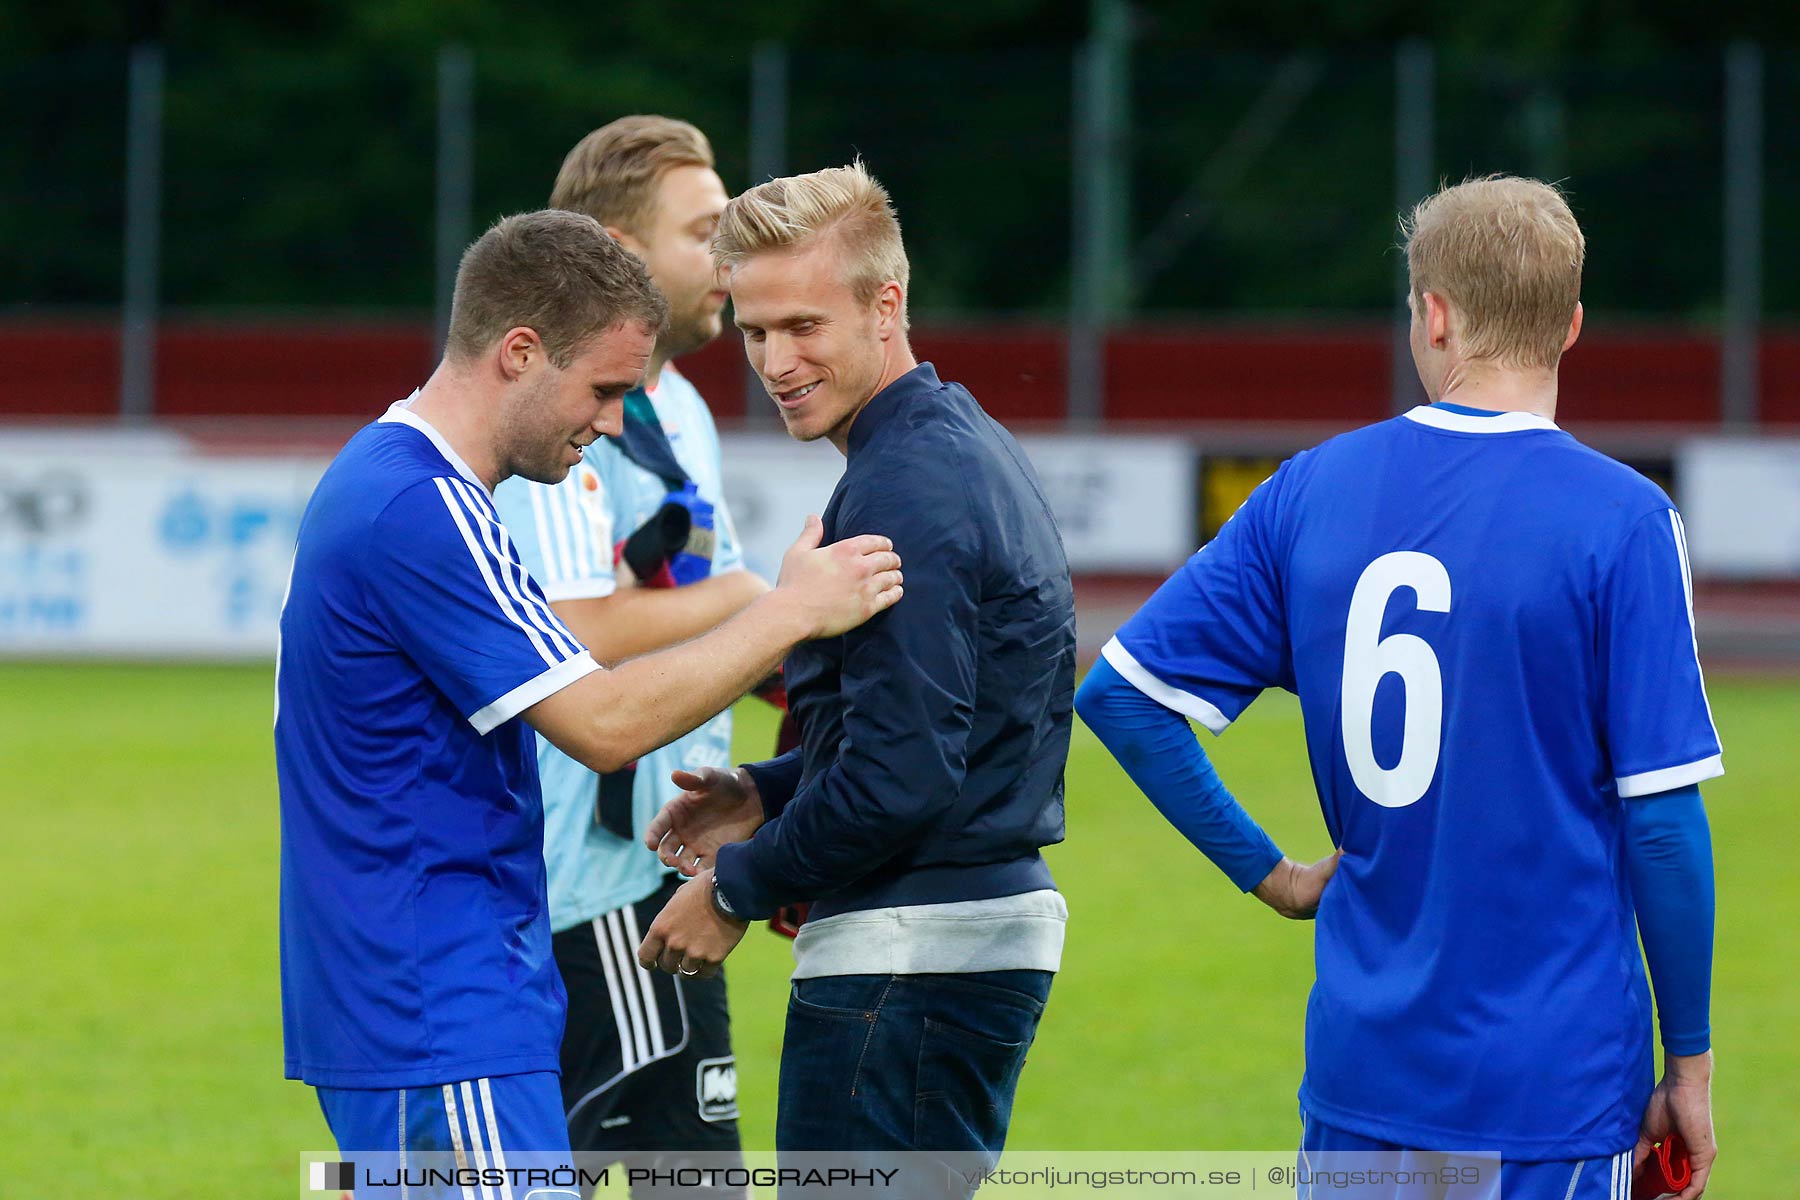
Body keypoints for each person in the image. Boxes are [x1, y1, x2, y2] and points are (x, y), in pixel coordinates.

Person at [1076, 176, 1718, 1200]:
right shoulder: (1625, 520)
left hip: (1360, 1080)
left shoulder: (1308, 490)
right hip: (1550, 1088)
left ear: (1433, 313)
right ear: (1574, 325)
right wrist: (1689, 1065)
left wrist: (1272, 872)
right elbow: (1663, 822)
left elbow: (1121, 697)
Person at [274, 208, 903, 1176]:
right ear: (520, 352)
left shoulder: (408, 486)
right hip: (435, 1005)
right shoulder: (419, 507)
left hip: (427, 998)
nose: (613, 424)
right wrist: (789, 612)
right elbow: (603, 724)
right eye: (605, 390)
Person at [634, 163, 1076, 1178]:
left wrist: (739, 889)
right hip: (954, 936)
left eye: (803, 327)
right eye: (754, 331)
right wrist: (766, 789)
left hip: (912, 951)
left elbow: (904, 777)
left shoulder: (906, 484)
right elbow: (940, 728)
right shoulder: (950, 445)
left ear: (889, 306)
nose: (776, 361)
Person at [490, 116, 759, 1184]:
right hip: (589, 884)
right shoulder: (552, 406)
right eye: (705, 233)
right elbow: (573, 627)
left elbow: (725, 618)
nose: (729, 261)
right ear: (614, 248)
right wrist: (758, 602)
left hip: (670, 856)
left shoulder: (678, 407)